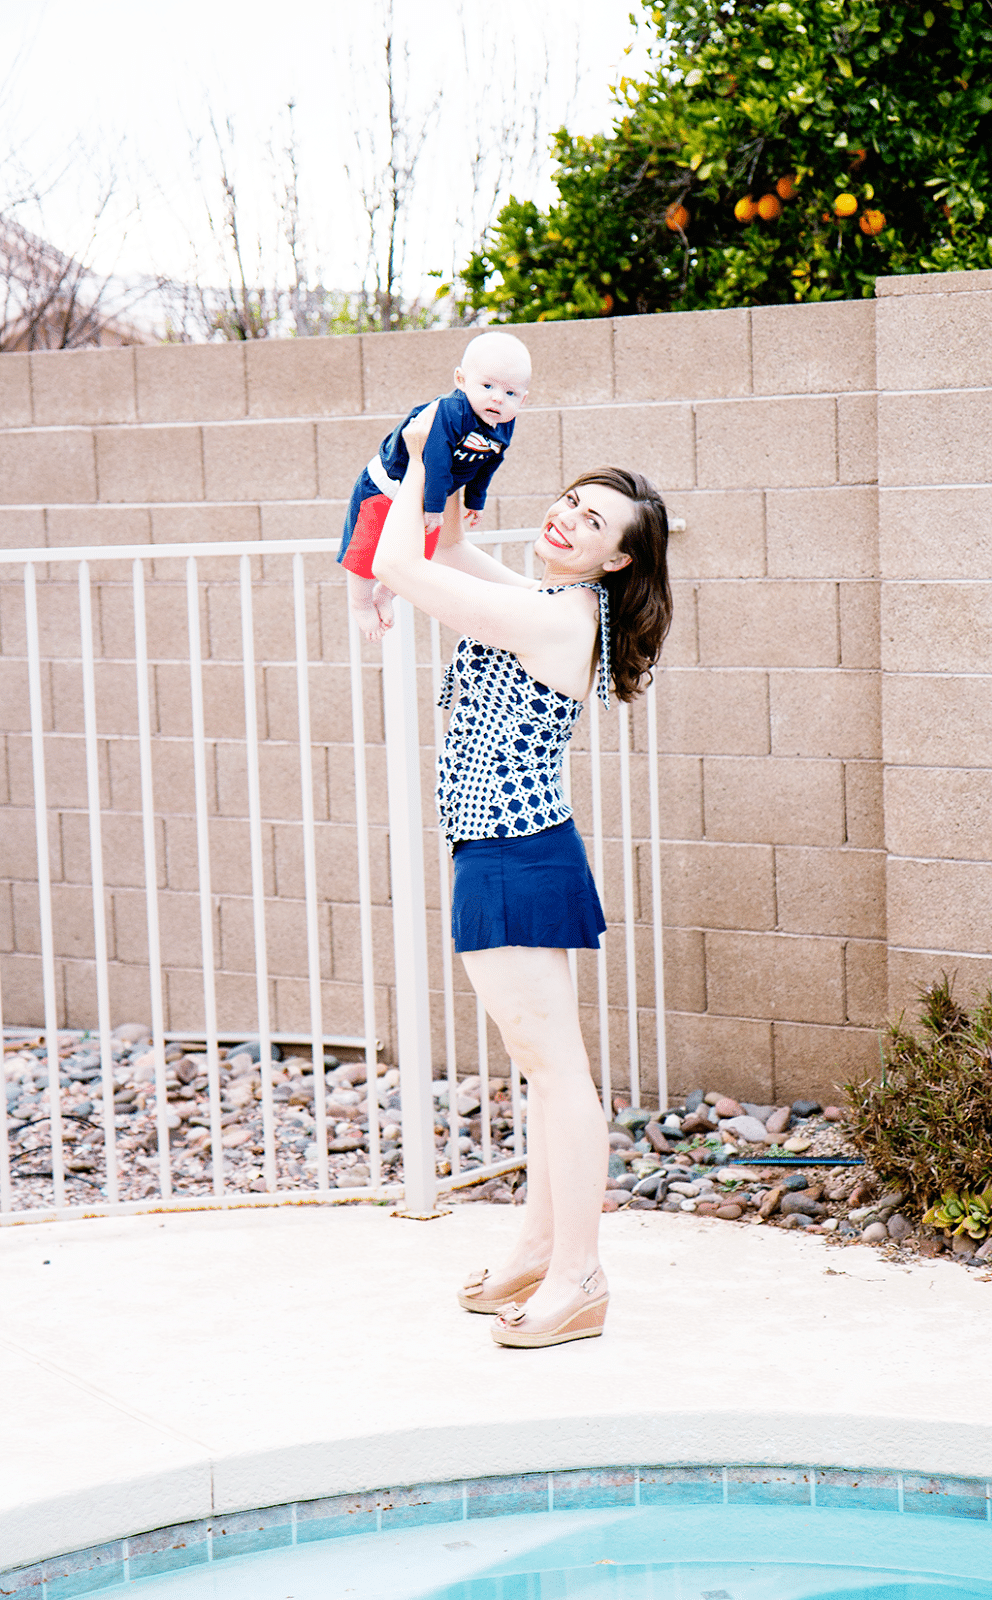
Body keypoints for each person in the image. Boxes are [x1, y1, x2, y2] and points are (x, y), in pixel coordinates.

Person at [367, 399, 672, 1349]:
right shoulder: (552, 602)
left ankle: (580, 1276)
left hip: (512, 856)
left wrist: (419, 454)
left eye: (593, 523)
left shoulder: (558, 617)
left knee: (556, 1073)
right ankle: (540, 1246)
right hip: (513, 851)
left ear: (615, 561)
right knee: (545, 1072)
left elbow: (398, 564)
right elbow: (450, 549)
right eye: (570, 501)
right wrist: (464, 461)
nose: (567, 520)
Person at [338, 331, 531, 641]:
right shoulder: (451, 413)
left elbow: (490, 461)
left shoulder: (503, 424)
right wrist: (434, 508)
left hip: (426, 497)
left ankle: (386, 593)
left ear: (523, 399)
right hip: (389, 485)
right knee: (366, 549)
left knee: (420, 553)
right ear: (461, 380)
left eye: (510, 393)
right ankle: (360, 603)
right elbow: (435, 460)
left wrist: (475, 501)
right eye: (487, 386)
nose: (497, 398)